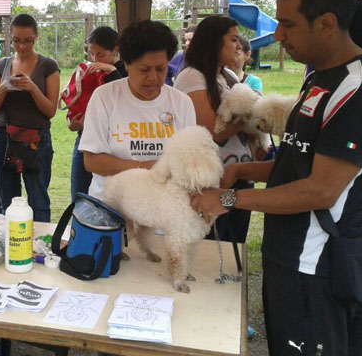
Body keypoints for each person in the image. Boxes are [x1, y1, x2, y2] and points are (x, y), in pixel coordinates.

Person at [191, 0, 362, 356]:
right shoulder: (319, 80)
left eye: (287, 24)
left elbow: (321, 190)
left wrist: (228, 200)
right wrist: (240, 170)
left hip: (321, 267)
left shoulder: (358, 91)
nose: (277, 35)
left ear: (326, 23)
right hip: (290, 257)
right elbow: (298, 163)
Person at [79, 20, 196, 200]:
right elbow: (92, 161)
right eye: (144, 69)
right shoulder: (104, 97)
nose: (153, 78)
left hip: (162, 211)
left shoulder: (182, 103)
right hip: (111, 209)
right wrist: (145, 167)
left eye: (161, 69)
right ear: (126, 64)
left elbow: (189, 160)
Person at [174, 16, 253, 243]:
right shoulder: (192, 77)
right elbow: (212, 130)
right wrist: (249, 118)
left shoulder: (226, 75)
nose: (239, 46)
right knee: (212, 248)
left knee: (233, 246)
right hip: (211, 181)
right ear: (214, 42)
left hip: (237, 176)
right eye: (233, 40)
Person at [0, 14, 60, 222]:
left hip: (35, 139)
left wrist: (32, 88)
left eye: (28, 40)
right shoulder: (1, 65)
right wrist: (3, 87)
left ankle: (40, 249)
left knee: (38, 203)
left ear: (36, 37)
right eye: (17, 40)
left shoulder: (48, 65)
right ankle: (11, 246)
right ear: (10, 38)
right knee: (7, 203)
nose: (22, 46)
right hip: (3, 136)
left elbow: (50, 110)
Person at [68, 26, 127, 201]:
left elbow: (125, 97)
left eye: (100, 54)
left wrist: (111, 71)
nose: (95, 59)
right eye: (92, 54)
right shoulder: (88, 71)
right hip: (85, 138)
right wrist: (73, 123)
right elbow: (76, 98)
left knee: (108, 198)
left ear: (115, 50)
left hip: (113, 142)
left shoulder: (126, 70)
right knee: (79, 193)